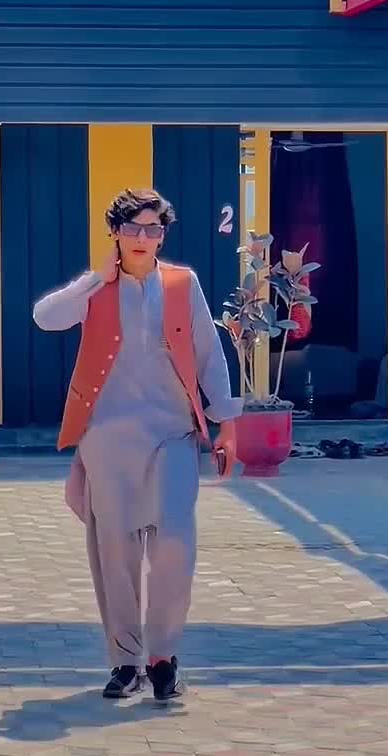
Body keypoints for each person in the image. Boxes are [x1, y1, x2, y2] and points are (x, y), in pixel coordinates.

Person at [33, 188, 240, 702]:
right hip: (107, 437)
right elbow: (45, 317)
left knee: (175, 542)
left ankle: (163, 657)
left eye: (153, 229)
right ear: (116, 234)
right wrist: (94, 279)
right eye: (132, 228)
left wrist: (227, 423)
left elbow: (209, 353)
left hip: (172, 433)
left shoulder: (182, 283)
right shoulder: (97, 289)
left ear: (162, 235)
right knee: (116, 552)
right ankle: (126, 662)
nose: (143, 238)